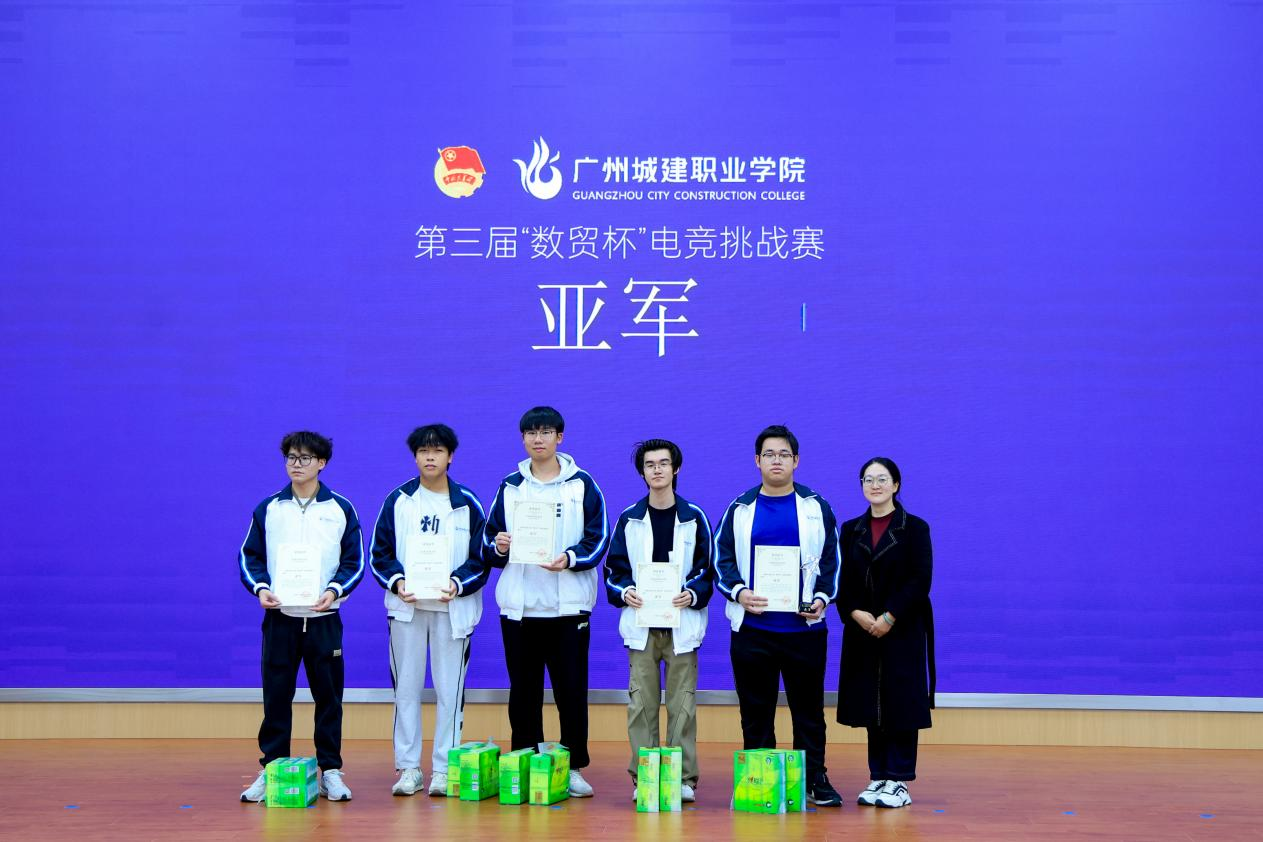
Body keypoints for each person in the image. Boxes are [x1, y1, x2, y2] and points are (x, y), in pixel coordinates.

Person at [482, 406, 609, 797]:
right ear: (523, 439)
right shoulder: (510, 486)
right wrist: (500, 545)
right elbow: (488, 542)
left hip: (568, 608)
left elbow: (598, 538)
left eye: (546, 432)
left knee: (571, 692)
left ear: (560, 437)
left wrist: (569, 559)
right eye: (531, 433)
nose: (538, 439)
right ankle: (525, 763)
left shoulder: (582, 484)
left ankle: (573, 766)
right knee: (523, 693)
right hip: (520, 609)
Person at [713, 424, 843, 807]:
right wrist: (739, 592)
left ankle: (814, 779)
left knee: (809, 712)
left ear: (796, 461)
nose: (776, 461)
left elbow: (832, 560)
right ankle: (761, 780)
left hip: (804, 629)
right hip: (752, 629)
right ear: (757, 461)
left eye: (784, 454)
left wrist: (822, 597)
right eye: (769, 454)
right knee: (756, 712)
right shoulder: (740, 508)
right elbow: (721, 560)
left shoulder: (816, 507)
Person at [238, 431, 365, 803]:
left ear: (321, 463)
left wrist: (334, 591)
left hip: (324, 619)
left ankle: (331, 771)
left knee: (329, 699)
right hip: (281, 619)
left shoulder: (340, 508)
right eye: (291, 457)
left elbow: (354, 561)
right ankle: (272, 769)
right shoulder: (270, 508)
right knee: (276, 697)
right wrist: (261, 588)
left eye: (305, 458)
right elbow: (249, 556)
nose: (296, 464)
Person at [369, 424, 489, 797]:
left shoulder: (467, 503)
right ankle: (408, 768)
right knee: (406, 690)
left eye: (437, 451)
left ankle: (443, 769)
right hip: (407, 609)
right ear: (415, 457)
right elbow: (380, 554)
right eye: (423, 451)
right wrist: (397, 582)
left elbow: (481, 558)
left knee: (449, 692)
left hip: (452, 610)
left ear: (450, 456)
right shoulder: (399, 500)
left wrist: (457, 583)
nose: (430, 457)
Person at [604, 439, 713, 803]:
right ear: (642, 472)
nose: (657, 470)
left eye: (663, 463)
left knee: (682, 706)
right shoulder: (629, 519)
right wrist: (626, 591)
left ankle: (683, 779)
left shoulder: (694, 517)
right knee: (641, 706)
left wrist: (692, 593)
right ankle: (646, 778)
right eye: (650, 464)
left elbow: (708, 570)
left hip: (682, 625)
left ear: (675, 468)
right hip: (642, 626)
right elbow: (614, 570)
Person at [836, 457, 935, 809]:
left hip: (902, 628)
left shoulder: (915, 528)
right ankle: (878, 775)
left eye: (882, 479)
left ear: (896, 485)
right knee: (871, 701)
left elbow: (920, 580)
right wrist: (854, 613)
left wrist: (890, 616)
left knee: (900, 702)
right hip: (863, 628)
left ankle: (899, 780)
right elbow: (841, 579)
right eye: (868, 479)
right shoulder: (851, 529)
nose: (875, 485)